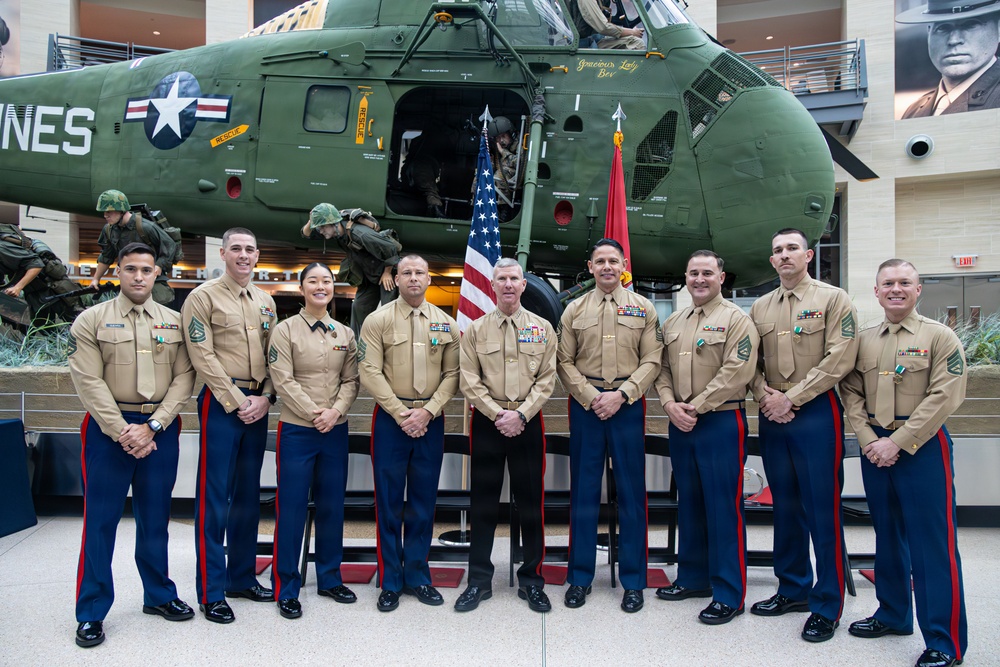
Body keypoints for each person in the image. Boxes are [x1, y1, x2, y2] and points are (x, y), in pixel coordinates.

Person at [840, 259, 968, 667]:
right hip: (875, 448)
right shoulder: (862, 340)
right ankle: (893, 614)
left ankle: (944, 641)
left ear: (919, 289)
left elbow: (945, 397)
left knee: (933, 546)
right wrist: (868, 440)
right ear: (876, 292)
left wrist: (897, 442)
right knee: (888, 537)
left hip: (922, 448)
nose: (896, 289)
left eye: (905, 283)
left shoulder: (940, 337)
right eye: (888, 283)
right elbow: (851, 394)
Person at [67, 242, 196, 648]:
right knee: (100, 523)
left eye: (146, 269)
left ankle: (158, 595)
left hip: (160, 429)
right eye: (130, 269)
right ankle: (90, 612)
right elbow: (88, 381)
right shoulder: (91, 320)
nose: (139, 276)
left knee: (156, 519)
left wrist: (153, 425)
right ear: (117, 272)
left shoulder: (175, 322)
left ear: (157, 274)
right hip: (110, 432)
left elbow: (185, 379)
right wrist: (123, 429)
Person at [748, 228, 859, 643]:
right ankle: (792, 588)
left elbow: (841, 356)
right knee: (785, 506)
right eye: (777, 250)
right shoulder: (759, 307)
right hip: (773, 414)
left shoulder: (833, 299)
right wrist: (765, 395)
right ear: (772, 260)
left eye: (792, 248)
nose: (784, 255)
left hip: (815, 413)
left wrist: (791, 398)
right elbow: (747, 361)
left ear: (808, 255)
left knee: (821, 509)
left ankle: (826, 604)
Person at [556, 238, 662, 613]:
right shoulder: (573, 309)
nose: (606, 267)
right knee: (583, 494)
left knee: (633, 495)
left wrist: (623, 394)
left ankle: (634, 581)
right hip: (587, 407)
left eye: (612, 261)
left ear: (623, 265)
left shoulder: (644, 308)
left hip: (628, 406)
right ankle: (580, 577)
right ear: (589, 267)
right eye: (599, 261)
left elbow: (653, 359)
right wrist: (590, 397)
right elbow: (563, 361)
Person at [653, 250, 758, 625]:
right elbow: (661, 369)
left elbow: (737, 371)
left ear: (721, 278)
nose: (699, 279)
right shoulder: (674, 322)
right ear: (685, 275)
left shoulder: (736, 320)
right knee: (691, 504)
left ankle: (729, 593)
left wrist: (694, 406)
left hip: (719, 422)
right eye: (693, 272)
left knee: (723, 508)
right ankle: (694, 578)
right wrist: (669, 405)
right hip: (680, 422)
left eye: (707, 273)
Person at [181, 227, 278, 624]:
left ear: (257, 255)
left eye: (250, 249)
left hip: (258, 404)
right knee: (214, 497)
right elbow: (202, 356)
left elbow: (276, 356)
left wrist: (266, 398)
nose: (243, 255)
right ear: (222, 253)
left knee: (247, 497)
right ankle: (211, 589)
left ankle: (241, 577)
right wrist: (239, 401)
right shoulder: (202, 297)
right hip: (223, 405)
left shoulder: (265, 300)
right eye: (235, 248)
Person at [455, 258, 557, 614]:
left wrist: (521, 414)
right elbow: (468, 378)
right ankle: (479, 582)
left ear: (524, 285)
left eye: (515, 278)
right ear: (493, 285)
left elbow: (547, 378)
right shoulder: (477, 330)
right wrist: (498, 414)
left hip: (528, 422)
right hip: (488, 422)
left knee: (531, 505)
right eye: (502, 279)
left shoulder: (543, 328)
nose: (509, 284)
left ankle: (532, 581)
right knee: (482, 503)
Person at [358, 254, 460, 612]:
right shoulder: (378, 320)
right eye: (407, 273)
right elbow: (368, 370)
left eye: (419, 272)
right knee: (388, 502)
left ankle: (417, 574)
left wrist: (427, 412)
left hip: (430, 421)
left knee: (422, 502)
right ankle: (390, 580)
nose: (413, 278)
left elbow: (453, 375)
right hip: (391, 418)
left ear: (428, 279)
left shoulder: (446, 323)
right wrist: (402, 413)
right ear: (396, 279)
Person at [267, 262, 360, 620]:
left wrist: (334, 412)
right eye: (313, 281)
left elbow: (351, 381)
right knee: (290, 509)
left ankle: (329, 578)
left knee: (332, 506)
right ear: (302, 288)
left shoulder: (344, 333)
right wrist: (315, 413)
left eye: (327, 281)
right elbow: (283, 379)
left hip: (335, 430)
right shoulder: (285, 330)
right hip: (297, 430)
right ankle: (287, 587)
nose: (321, 286)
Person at [300, 203, 401, 337]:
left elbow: (391, 248)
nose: (321, 231)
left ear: (333, 224)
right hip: (369, 275)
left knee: (388, 312)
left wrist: (387, 272)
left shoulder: (360, 234)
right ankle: (360, 345)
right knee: (359, 307)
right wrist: (311, 220)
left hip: (386, 273)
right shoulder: (336, 231)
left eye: (322, 227)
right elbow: (306, 234)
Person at [897, 0, 1000, 117]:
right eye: (943, 27)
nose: (953, 40)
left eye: (971, 24)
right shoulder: (913, 111)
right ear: (929, 32)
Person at [91, 190, 178, 306]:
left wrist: (158, 267)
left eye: (109, 211)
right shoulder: (109, 230)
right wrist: (96, 279)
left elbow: (170, 245)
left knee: (158, 310)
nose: (105, 215)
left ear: (122, 210)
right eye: (104, 212)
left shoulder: (145, 227)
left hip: (152, 280)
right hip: (128, 281)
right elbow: (106, 256)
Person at [0, 224, 82, 323]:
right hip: (35, 294)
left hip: (53, 288)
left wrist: (17, 287)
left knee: (77, 323)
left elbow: (36, 265)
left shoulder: (2, 248)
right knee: (43, 329)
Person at [568, 0, 645, 50]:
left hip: (595, 39)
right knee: (636, 43)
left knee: (632, 41)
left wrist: (628, 32)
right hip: (581, 45)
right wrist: (632, 32)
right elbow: (603, 27)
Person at [489, 116, 523, 223]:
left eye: (503, 136)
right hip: (502, 174)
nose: (501, 140)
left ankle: (504, 212)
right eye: (498, 138)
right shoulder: (497, 146)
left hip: (516, 176)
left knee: (501, 174)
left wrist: (503, 152)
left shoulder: (519, 143)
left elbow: (519, 162)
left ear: (511, 134)